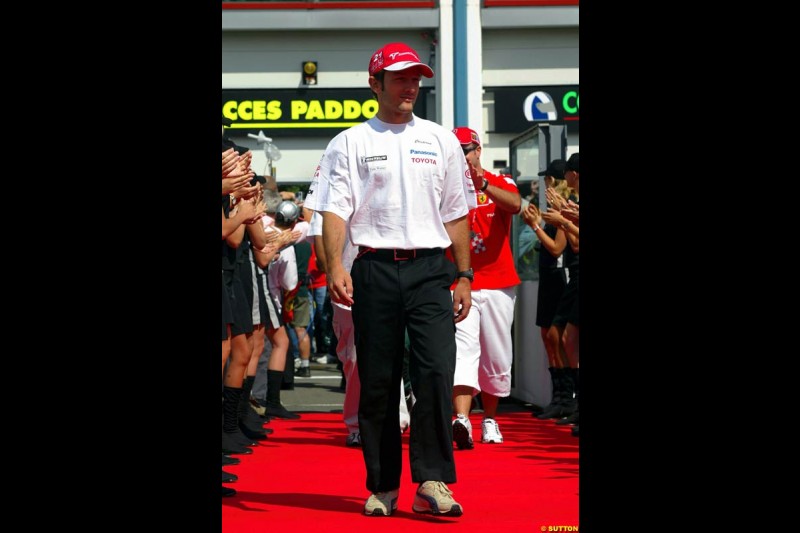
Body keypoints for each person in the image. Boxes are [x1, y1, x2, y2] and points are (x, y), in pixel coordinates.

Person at [314, 42, 476, 517]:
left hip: (431, 271)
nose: (410, 86)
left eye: (415, 78)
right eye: (400, 78)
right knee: (379, 381)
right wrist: (336, 266)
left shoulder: (441, 139)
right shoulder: (350, 142)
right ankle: (384, 485)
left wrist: (464, 274)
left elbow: (456, 214)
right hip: (374, 269)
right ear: (376, 85)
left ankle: (433, 481)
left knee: (435, 373)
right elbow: (333, 211)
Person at [448, 127, 521, 449]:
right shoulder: (443, 187)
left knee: (495, 355)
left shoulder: (500, 181)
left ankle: (490, 419)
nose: (463, 156)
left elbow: (516, 205)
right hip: (458, 284)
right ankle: (461, 419)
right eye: (457, 150)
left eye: (467, 149)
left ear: (478, 150)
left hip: (499, 284)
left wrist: (484, 185)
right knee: (462, 352)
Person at [519, 159, 574, 421]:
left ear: (556, 181)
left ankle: (567, 399)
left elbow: (556, 248)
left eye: (548, 179)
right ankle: (558, 398)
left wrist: (536, 226)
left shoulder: (565, 211)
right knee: (547, 337)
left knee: (556, 337)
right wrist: (536, 221)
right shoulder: (554, 209)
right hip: (547, 277)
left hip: (560, 277)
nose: (544, 184)